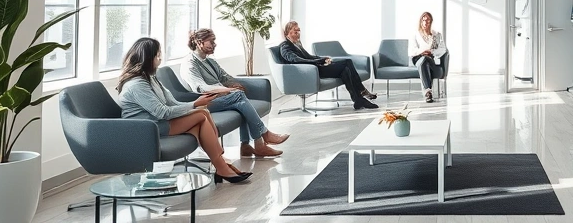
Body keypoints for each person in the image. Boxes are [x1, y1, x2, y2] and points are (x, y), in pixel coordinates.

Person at [116, 37, 251, 184]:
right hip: (146, 128)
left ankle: (221, 165)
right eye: (157, 55)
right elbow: (163, 112)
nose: (160, 58)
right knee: (201, 114)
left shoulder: (150, 78)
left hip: (157, 122)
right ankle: (222, 164)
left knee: (202, 115)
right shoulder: (137, 84)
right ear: (148, 58)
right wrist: (194, 105)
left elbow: (172, 103)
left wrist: (197, 103)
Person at [181, 28, 288, 158]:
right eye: (211, 41)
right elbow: (202, 88)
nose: (215, 44)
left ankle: (247, 146)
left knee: (241, 103)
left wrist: (234, 84)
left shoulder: (209, 60)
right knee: (238, 96)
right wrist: (228, 90)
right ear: (199, 42)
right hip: (204, 102)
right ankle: (263, 137)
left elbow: (224, 77)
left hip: (220, 97)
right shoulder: (190, 63)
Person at [278, 21, 378, 110]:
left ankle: (358, 100)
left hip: (315, 68)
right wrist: (318, 62)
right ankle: (362, 91)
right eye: (295, 32)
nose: (298, 34)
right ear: (287, 33)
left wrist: (322, 58)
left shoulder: (297, 44)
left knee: (345, 71)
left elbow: (308, 56)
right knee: (347, 62)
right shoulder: (285, 46)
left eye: (299, 31)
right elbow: (295, 60)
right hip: (310, 72)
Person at [409, 11, 447, 103]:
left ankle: (427, 92)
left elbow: (443, 49)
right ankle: (428, 92)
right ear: (421, 21)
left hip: (430, 58)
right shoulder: (415, 34)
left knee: (426, 60)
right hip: (418, 58)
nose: (425, 22)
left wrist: (432, 51)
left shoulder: (436, 35)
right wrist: (422, 51)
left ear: (431, 22)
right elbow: (412, 51)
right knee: (423, 60)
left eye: (428, 20)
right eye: (424, 20)